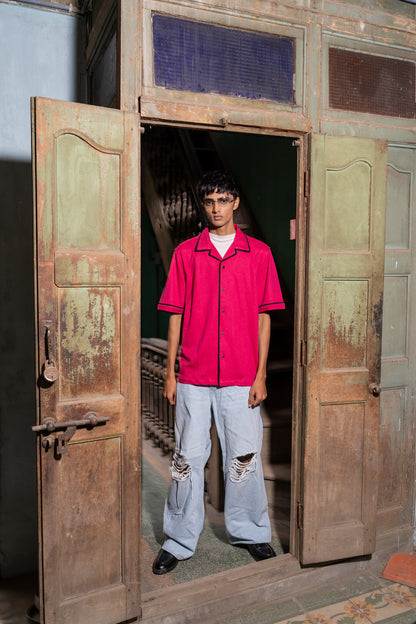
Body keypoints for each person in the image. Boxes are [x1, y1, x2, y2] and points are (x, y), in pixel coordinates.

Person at [153, 171, 285, 575]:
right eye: (209, 201)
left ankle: (250, 533)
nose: (215, 209)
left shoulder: (259, 254)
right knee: (186, 460)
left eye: (223, 200)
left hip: (242, 376)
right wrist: (171, 371)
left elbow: (265, 318)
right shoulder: (185, 254)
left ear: (236, 203)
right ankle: (178, 539)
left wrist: (261, 374)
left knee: (242, 459)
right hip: (193, 376)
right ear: (203, 204)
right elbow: (174, 316)